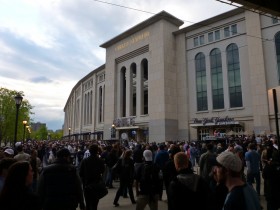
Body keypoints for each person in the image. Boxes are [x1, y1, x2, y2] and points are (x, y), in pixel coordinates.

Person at [79, 144, 106, 210]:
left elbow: (80, 173)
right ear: (97, 151)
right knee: (95, 204)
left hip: (87, 184)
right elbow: (102, 171)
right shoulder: (100, 161)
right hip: (96, 183)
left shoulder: (84, 161)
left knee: (88, 203)